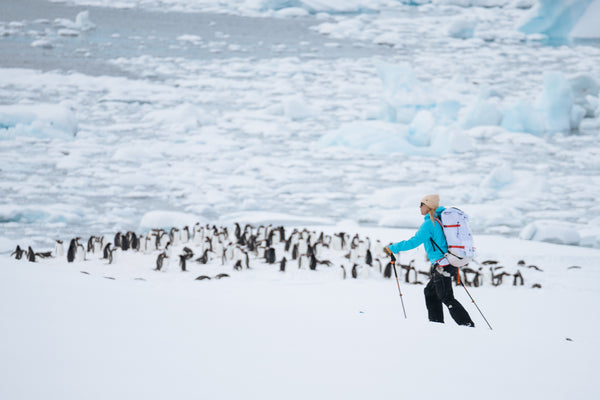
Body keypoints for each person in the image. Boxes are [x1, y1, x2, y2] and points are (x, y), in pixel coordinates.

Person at [384, 194, 474, 327]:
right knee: (430, 292)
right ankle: (437, 324)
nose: (419, 207)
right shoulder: (439, 220)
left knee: (446, 297)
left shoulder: (429, 224)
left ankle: (467, 325)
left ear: (428, 206)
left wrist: (392, 248)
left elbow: (413, 242)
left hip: (442, 265)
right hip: (447, 263)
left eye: (421, 204)